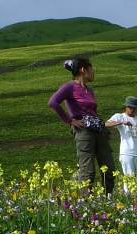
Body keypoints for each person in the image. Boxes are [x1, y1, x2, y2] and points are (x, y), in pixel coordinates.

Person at [48, 57, 114, 194]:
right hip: (83, 130)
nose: (93, 72)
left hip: (97, 129)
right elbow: (53, 102)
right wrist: (70, 120)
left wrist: (103, 130)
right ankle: (85, 202)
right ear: (83, 70)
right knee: (88, 170)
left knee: (109, 168)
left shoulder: (89, 90)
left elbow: (93, 111)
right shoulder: (69, 86)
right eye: (92, 69)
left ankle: (108, 200)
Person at [105, 96, 137, 186]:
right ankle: (129, 198)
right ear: (126, 107)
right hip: (126, 153)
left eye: (134, 108)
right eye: (130, 107)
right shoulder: (120, 116)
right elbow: (106, 124)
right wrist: (120, 122)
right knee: (129, 178)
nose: (132, 110)